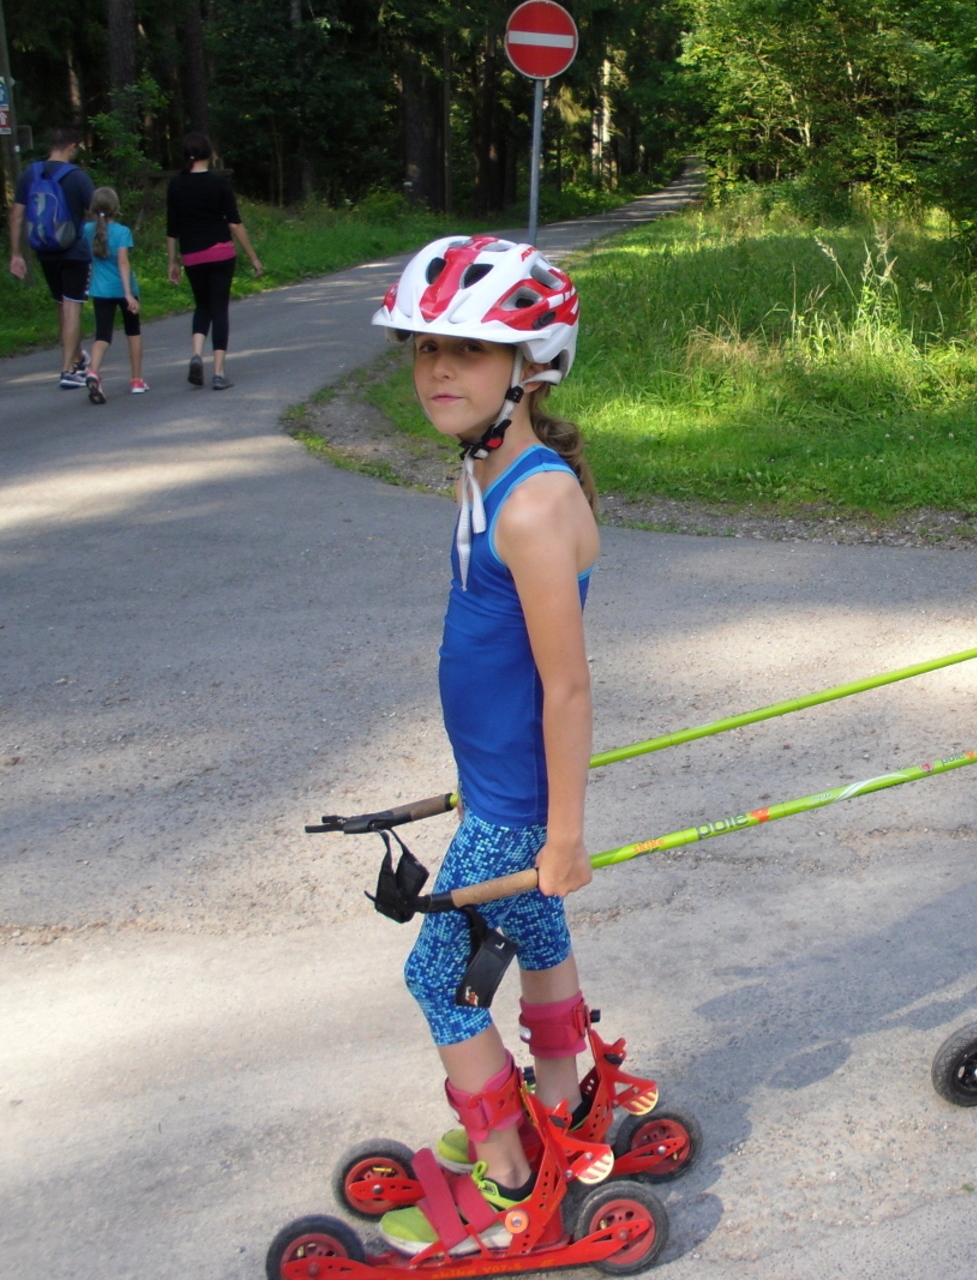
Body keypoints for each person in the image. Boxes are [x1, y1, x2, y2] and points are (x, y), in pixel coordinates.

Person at [367, 236, 599, 1257]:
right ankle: (569, 1097)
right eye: (423, 351)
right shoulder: (488, 472)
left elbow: (567, 683)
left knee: (434, 978)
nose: (438, 372)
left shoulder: (536, 502)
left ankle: (510, 1176)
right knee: (536, 939)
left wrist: (564, 834)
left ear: (531, 365)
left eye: (465, 350)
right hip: (495, 784)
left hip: (514, 804)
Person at [164, 133, 263, 390]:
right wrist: (253, 257)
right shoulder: (219, 183)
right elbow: (234, 223)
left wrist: (172, 262)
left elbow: (172, 228)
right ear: (209, 154)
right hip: (220, 253)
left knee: (202, 306)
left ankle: (196, 354)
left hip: (192, 256)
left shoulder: (176, 185)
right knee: (219, 309)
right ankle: (219, 372)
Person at [7, 127, 97, 389]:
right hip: (74, 251)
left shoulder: (30, 174)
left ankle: (77, 358)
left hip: (45, 250)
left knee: (62, 305)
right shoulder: (77, 178)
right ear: (71, 146)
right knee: (73, 306)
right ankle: (67, 369)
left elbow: (16, 215)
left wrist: (16, 254)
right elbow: (96, 213)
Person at [81, 188, 146, 403]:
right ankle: (136, 380)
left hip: (101, 291)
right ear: (116, 209)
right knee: (133, 333)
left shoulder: (88, 230)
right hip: (124, 290)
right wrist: (128, 295)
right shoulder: (122, 232)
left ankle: (93, 371)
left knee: (102, 337)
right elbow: (123, 262)